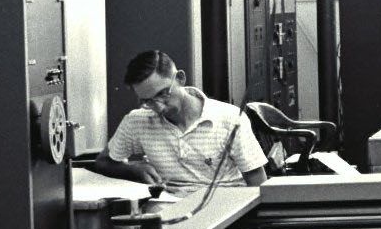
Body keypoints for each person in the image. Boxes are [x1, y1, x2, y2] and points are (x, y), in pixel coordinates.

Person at [81, 48, 267, 195]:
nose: (159, 107)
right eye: (147, 101)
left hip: (224, 208)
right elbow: (103, 162)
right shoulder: (138, 121)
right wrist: (133, 170)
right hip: (169, 209)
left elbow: (257, 182)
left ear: (180, 78)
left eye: (162, 94)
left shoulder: (230, 118)